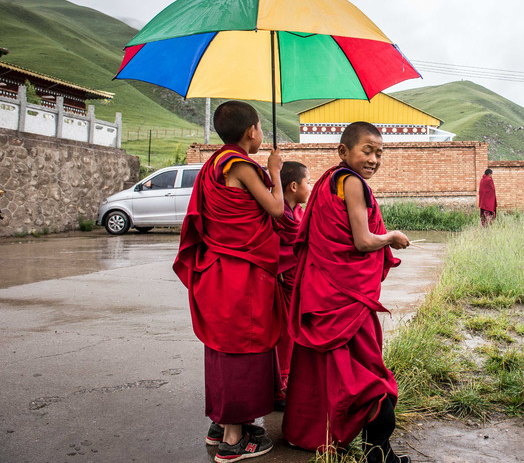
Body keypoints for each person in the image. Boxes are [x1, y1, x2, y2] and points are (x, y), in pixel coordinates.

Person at [283, 121, 411, 463]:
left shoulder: (329, 181)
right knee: (367, 373)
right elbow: (363, 241)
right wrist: (391, 237)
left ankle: (309, 434)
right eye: (367, 151)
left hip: (323, 289)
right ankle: (378, 454)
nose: (374, 159)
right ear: (343, 151)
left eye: (379, 153)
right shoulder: (352, 183)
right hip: (346, 297)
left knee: (323, 367)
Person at [173, 101, 284, 463]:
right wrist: (275, 171)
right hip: (242, 272)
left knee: (222, 349)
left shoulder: (214, 164)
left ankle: (220, 425)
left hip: (216, 269)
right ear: (251, 131)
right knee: (242, 349)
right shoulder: (242, 165)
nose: (261, 133)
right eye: (260, 127)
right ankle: (234, 441)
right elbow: (276, 209)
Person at [272, 161, 312, 412]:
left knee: (296, 333)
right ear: (294, 186)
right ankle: (280, 387)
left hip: (298, 282)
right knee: (283, 336)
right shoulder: (277, 215)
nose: (310, 187)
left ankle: (289, 381)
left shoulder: (298, 213)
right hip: (283, 282)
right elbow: (271, 245)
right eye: (308, 182)